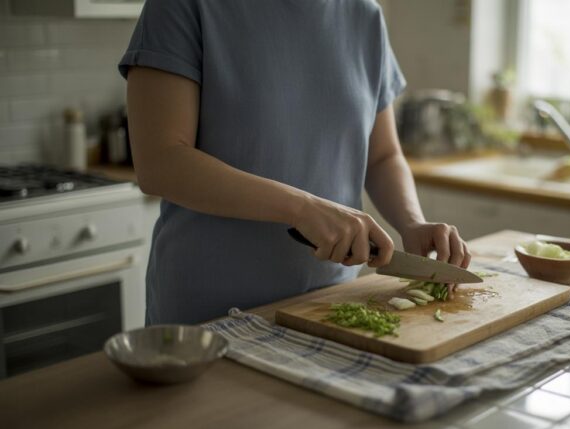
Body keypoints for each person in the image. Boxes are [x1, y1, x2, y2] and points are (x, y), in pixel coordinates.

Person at [119, 0, 471, 325]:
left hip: (329, 308)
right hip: (208, 318)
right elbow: (160, 162)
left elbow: (382, 156)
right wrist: (302, 208)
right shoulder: (184, 5)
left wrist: (412, 223)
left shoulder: (365, 15)